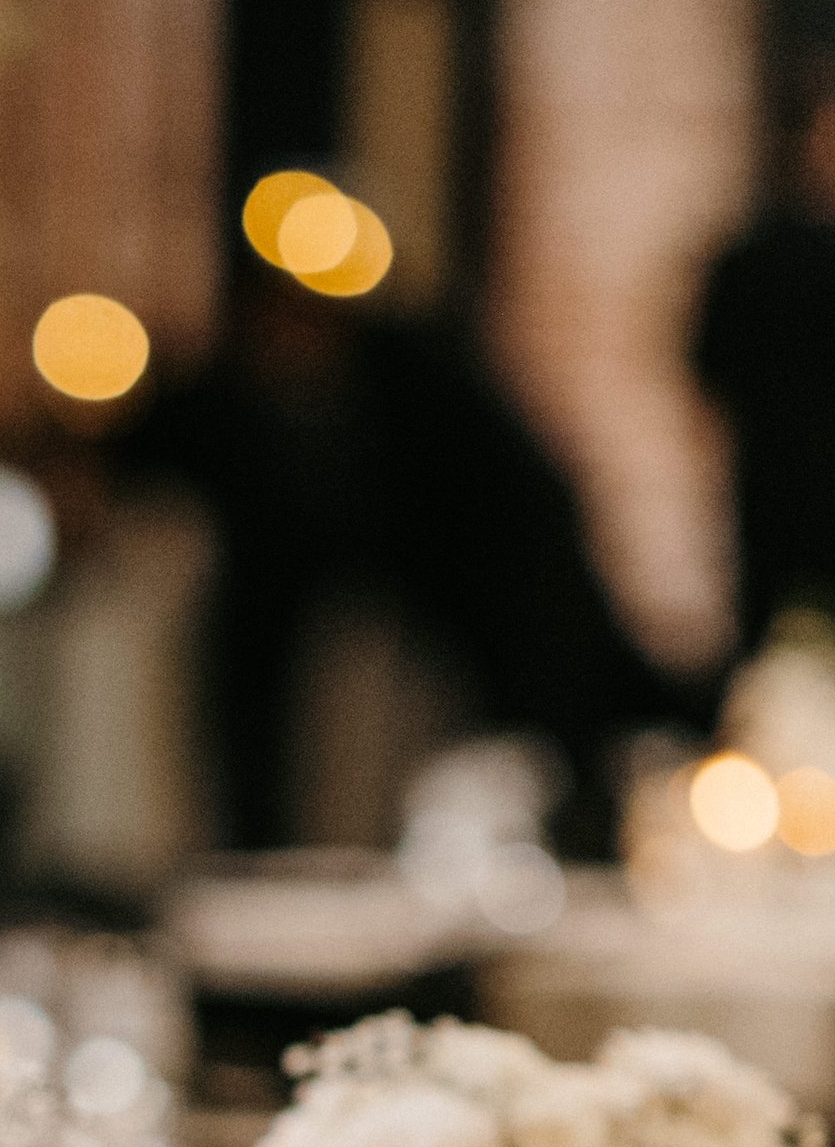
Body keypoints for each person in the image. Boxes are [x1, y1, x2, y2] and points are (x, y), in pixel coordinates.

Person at [123, 252, 668, 854]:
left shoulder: (405, 386)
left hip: (509, 576)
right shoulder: (295, 402)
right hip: (464, 583)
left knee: (551, 725)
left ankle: (569, 843)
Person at [692, 59, 835, 654]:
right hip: (831, 479)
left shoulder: (744, 255)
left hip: (764, 476)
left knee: (761, 631)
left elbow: (706, 365)